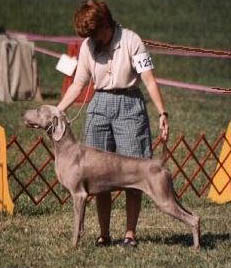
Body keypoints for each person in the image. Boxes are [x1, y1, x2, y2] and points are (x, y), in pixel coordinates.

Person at [57, 0, 169, 247]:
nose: (92, 39)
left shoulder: (132, 40)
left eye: (95, 33)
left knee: (135, 173)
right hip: (99, 107)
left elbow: (149, 80)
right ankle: (104, 234)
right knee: (98, 176)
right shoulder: (88, 46)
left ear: (106, 24)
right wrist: (58, 109)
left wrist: (162, 112)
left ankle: (130, 234)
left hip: (129, 106)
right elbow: (78, 83)